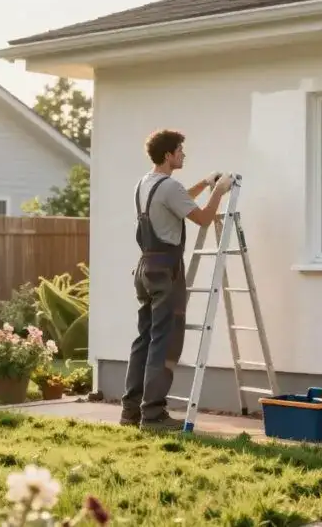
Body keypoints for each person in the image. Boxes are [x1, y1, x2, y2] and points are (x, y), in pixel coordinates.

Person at [120, 129, 234, 431]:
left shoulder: (145, 184)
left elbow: (180, 201)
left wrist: (205, 184)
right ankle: (153, 415)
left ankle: (130, 411)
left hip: (145, 267)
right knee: (164, 342)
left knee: (144, 339)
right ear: (168, 155)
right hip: (166, 270)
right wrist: (220, 191)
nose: (184, 154)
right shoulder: (169, 186)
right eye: (180, 150)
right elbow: (203, 219)